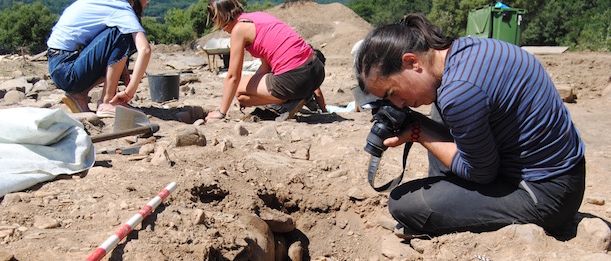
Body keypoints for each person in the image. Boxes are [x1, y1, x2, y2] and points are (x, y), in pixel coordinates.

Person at [354, 13, 585, 238]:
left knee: (404, 204)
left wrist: (418, 131)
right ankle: (452, 196)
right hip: (561, 175)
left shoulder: (458, 93)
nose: (398, 104)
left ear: (411, 61)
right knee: (438, 108)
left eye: (392, 93)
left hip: (544, 194)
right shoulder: (463, 51)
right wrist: (416, 122)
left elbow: (482, 174)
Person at [204, 0, 325, 122]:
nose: (222, 29)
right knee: (245, 95)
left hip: (295, 79)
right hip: (317, 70)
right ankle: (298, 96)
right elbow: (265, 67)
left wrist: (221, 113)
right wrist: (255, 91)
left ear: (222, 18)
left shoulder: (239, 29)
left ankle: (290, 101)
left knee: (240, 93)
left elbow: (233, 76)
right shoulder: (258, 17)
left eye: (218, 24)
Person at [47, 0, 152, 118]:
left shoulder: (109, 3)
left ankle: (80, 94)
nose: (148, 2)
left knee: (124, 43)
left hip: (60, 66)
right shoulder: (121, 7)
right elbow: (145, 50)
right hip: (67, 69)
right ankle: (107, 102)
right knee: (123, 34)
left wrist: (122, 68)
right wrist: (129, 93)